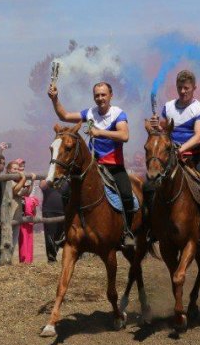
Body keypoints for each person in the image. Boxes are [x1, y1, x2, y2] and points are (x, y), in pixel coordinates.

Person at [48, 80, 135, 249]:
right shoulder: (90, 113)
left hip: (114, 166)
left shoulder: (118, 114)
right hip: (92, 166)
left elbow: (124, 135)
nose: (100, 98)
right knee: (66, 193)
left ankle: (127, 232)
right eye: (97, 95)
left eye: (103, 95)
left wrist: (99, 132)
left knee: (126, 195)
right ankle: (67, 231)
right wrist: (55, 99)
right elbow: (64, 116)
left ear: (111, 96)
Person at [153, 69, 200, 241]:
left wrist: (180, 150)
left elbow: (199, 136)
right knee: (149, 185)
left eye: (186, 88)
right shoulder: (168, 107)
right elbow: (163, 131)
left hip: (195, 156)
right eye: (180, 88)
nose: (183, 91)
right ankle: (151, 225)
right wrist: (156, 126)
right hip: (170, 157)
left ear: (194, 88)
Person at [38, 179, 64, 264]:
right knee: (50, 235)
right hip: (49, 211)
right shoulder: (48, 178)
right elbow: (42, 185)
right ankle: (52, 259)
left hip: (64, 211)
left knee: (60, 235)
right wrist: (50, 179)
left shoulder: (65, 179)